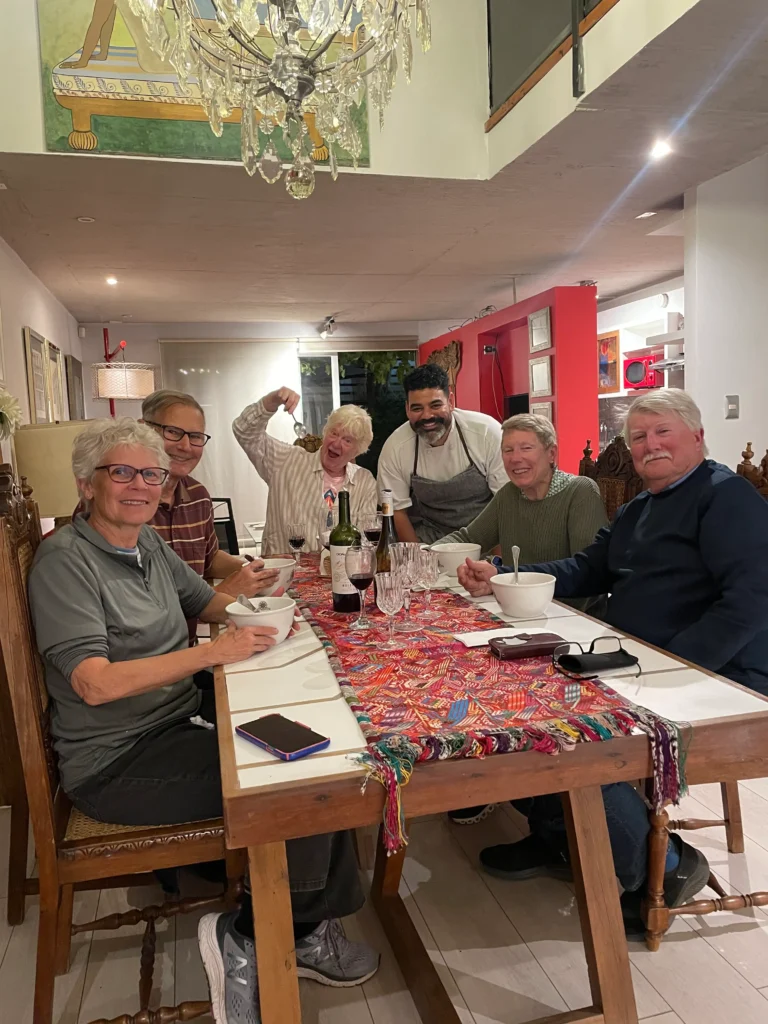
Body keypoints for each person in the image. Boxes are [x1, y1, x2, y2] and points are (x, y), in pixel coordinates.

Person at [29, 419, 379, 1024]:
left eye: (152, 474)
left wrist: (271, 616)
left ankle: (305, 923)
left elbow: (207, 603)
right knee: (302, 786)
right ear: (87, 484)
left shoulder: (146, 543)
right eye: (123, 472)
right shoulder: (65, 562)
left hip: (176, 717)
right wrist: (213, 654)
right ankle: (251, 934)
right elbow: (94, 683)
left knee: (323, 750)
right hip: (117, 760)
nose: (141, 485)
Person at [459, 389, 768, 930]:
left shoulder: (726, 497)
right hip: (633, 660)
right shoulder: (638, 508)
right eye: (639, 437)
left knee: (579, 737)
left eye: (663, 432)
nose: (650, 446)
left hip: (720, 677)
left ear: (698, 436)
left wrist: (674, 667)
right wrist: (505, 577)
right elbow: (587, 568)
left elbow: (750, 602)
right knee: (522, 701)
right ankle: (558, 836)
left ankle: (668, 865)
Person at [439, 413, 608, 827]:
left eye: (526, 448)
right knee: (459, 667)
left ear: (551, 453)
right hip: (518, 622)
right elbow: (466, 537)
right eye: (508, 450)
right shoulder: (509, 496)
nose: (515, 458)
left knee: (487, 678)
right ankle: (489, 778)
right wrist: (427, 557)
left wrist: (503, 577)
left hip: (573, 628)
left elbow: (588, 573)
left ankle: (526, 794)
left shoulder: (580, 491)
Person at [233, 387, 377, 556]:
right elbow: (244, 431)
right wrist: (272, 401)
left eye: (347, 440)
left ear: (357, 451)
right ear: (325, 432)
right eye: (334, 433)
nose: (336, 443)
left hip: (341, 571)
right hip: (283, 570)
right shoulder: (285, 461)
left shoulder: (364, 482)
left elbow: (366, 543)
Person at [376, 364, 508, 544]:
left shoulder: (487, 433)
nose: (427, 416)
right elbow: (396, 512)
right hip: (428, 540)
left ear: (451, 401)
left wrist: (496, 558)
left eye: (435, 405)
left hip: (485, 537)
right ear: (407, 409)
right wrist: (419, 557)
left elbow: (506, 503)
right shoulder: (395, 447)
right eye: (417, 408)